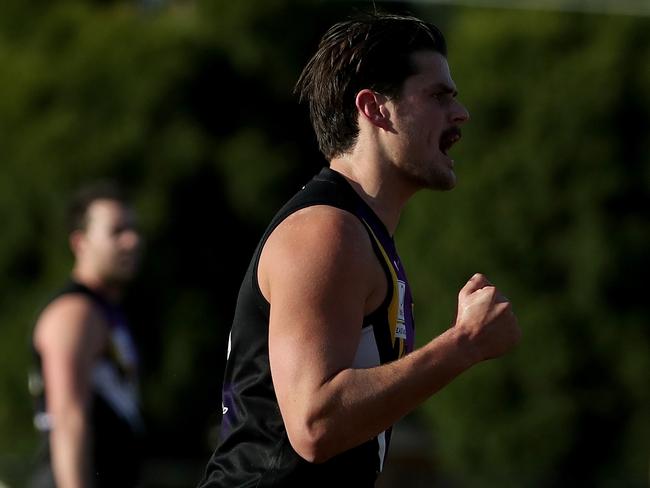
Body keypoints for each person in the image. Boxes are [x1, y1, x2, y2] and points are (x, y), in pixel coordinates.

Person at [198, 12, 521, 487]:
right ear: (374, 108)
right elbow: (315, 423)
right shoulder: (328, 231)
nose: (461, 114)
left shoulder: (360, 233)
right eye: (438, 96)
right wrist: (464, 344)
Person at [29, 181, 144, 488]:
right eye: (116, 232)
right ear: (80, 243)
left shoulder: (105, 311)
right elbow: (67, 421)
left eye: (133, 229)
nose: (132, 240)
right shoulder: (75, 312)